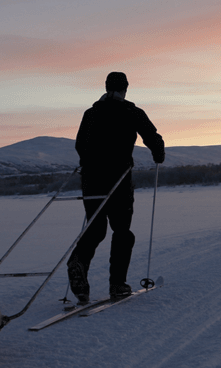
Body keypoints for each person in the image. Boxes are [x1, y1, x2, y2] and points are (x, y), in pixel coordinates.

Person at [67, 71, 165, 304]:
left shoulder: (91, 113)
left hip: (91, 179)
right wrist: (158, 154)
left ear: (106, 87)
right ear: (125, 89)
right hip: (119, 178)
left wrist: (91, 163)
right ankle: (117, 284)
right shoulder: (132, 112)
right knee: (122, 230)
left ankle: (78, 261)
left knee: (95, 228)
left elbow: (81, 145)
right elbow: (152, 137)